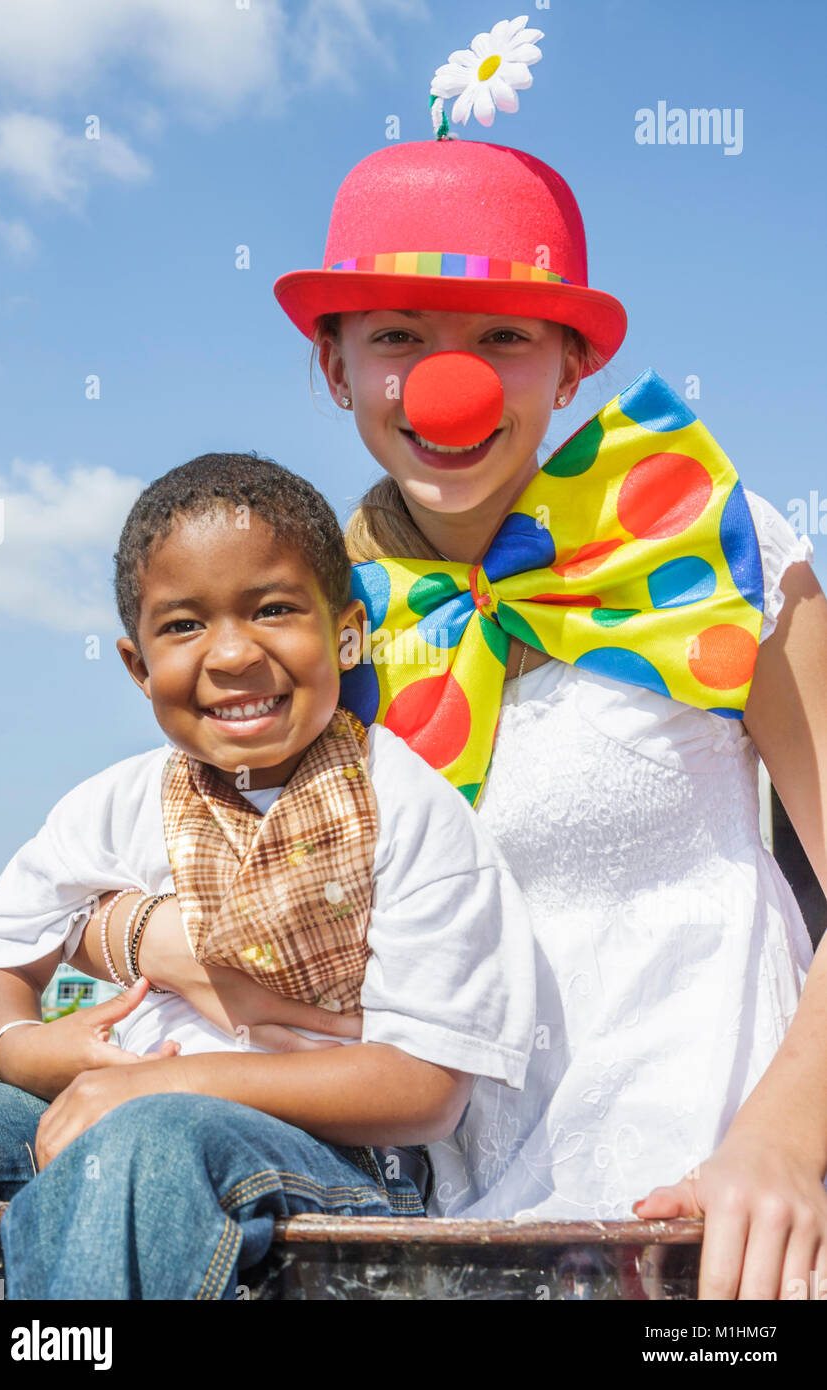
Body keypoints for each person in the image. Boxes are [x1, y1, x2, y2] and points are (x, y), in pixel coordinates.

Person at [262, 30, 827, 1299]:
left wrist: (782, 1150)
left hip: (715, 1202)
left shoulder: (708, 539)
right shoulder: (316, 620)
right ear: (332, 361)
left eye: (505, 335)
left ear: (574, 363)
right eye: (398, 332)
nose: (447, 383)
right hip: (430, 1222)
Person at [0, 451, 540, 1300]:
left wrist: (164, 1083)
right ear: (136, 664)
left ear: (345, 632)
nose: (232, 654)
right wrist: (22, 1050)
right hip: (118, 1115)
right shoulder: (114, 804)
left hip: (334, 1160)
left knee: (147, 1144)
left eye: (273, 610)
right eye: (184, 626)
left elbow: (425, 1088)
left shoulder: (404, 803)